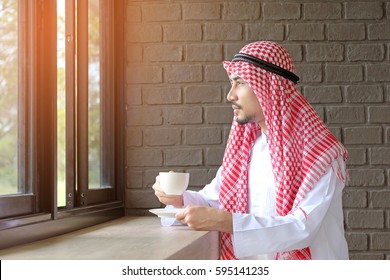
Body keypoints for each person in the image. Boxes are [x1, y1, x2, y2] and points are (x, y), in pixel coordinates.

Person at [153, 41, 349, 260]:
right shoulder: (246, 149)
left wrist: (225, 221)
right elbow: (213, 201)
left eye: (240, 83)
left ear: (268, 87)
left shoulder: (320, 154)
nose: (230, 95)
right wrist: (178, 199)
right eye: (231, 84)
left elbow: (302, 227)